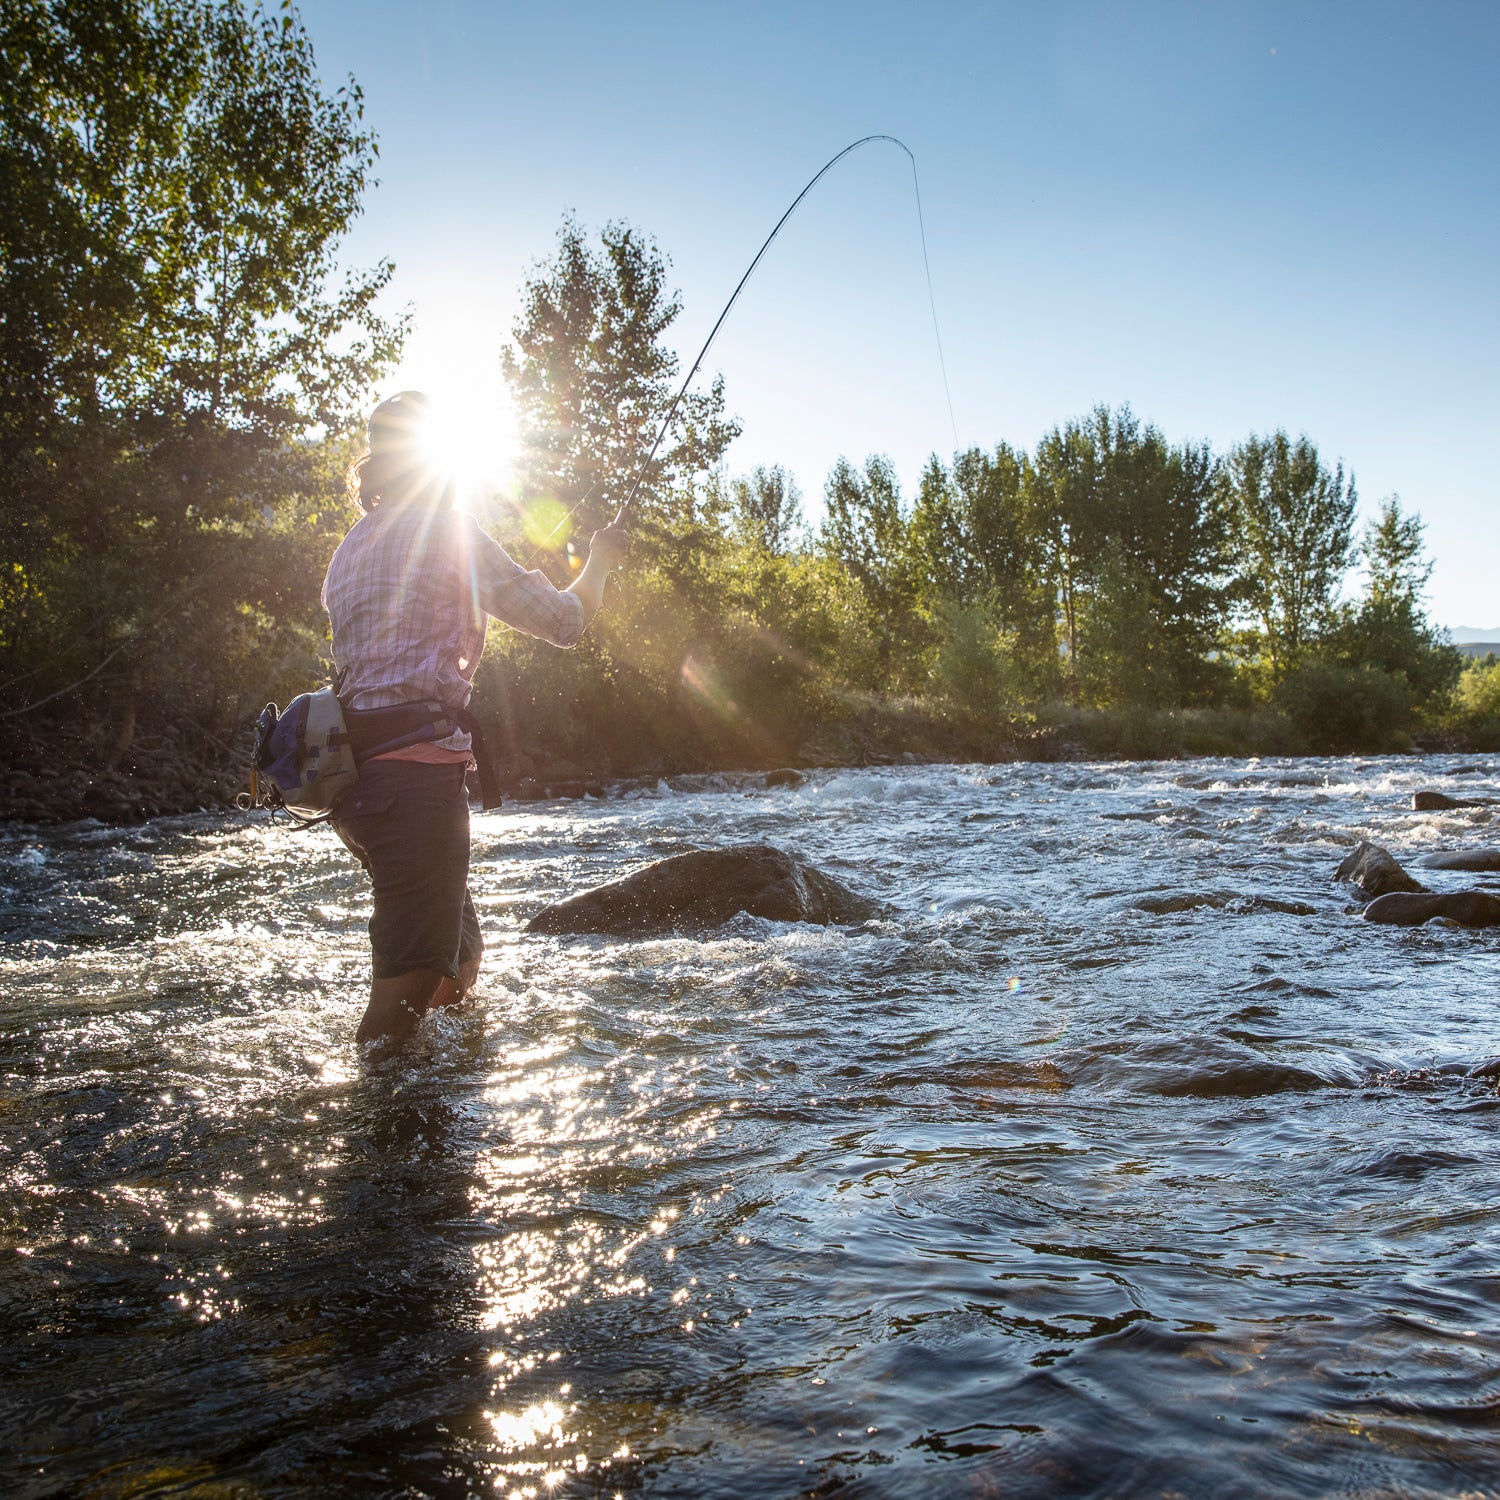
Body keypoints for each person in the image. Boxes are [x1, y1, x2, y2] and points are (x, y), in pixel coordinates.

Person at [323, 390, 628, 1047]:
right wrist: (600, 562)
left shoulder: (351, 547)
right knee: (406, 987)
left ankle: (442, 1088)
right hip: (411, 781)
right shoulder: (449, 531)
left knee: (457, 960)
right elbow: (564, 622)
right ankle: (375, 1127)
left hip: (355, 784)